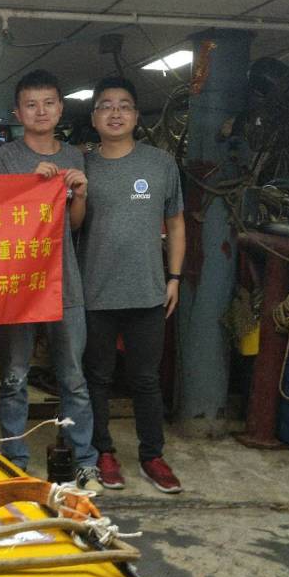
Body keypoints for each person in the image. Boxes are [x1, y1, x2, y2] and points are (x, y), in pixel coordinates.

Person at [0, 69, 100, 490]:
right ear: (17, 113)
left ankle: (82, 460)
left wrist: (79, 194)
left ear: (61, 109)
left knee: (73, 378)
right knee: (14, 378)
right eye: (31, 105)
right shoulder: (0, 160)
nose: (40, 111)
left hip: (64, 281)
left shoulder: (74, 157)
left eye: (48, 103)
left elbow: (74, 224)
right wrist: (29, 186)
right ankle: (15, 458)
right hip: (17, 286)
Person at [79, 75, 186, 494]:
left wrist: (174, 277)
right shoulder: (82, 165)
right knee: (98, 377)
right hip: (94, 291)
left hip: (147, 290)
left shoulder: (160, 164)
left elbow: (176, 223)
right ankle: (102, 452)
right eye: (106, 106)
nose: (115, 113)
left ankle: (152, 456)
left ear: (137, 116)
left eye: (124, 105)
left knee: (146, 379)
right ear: (94, 118)